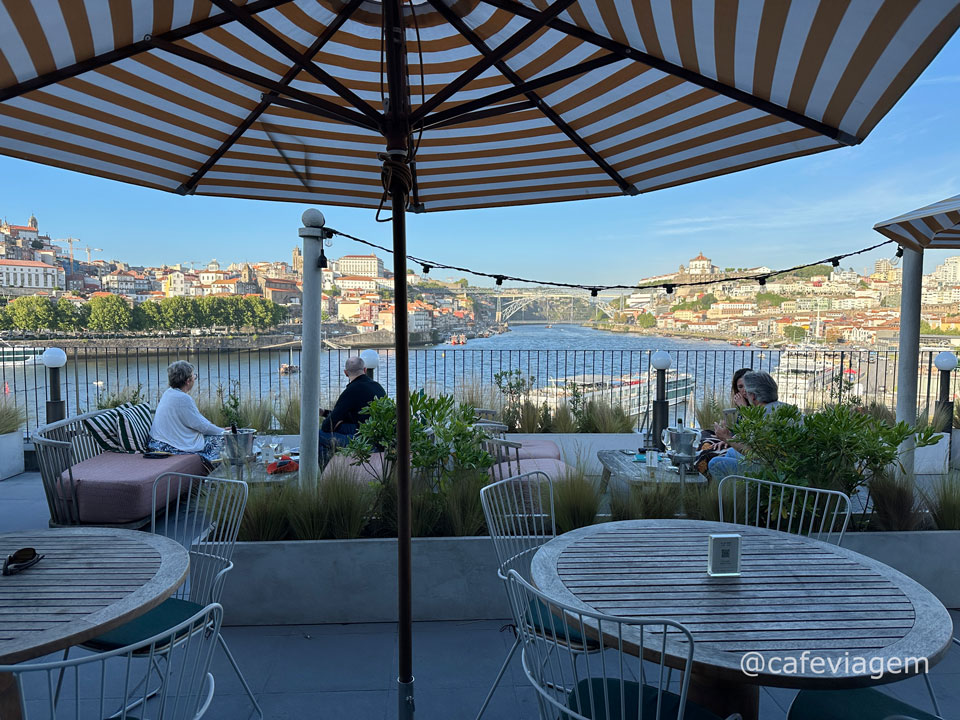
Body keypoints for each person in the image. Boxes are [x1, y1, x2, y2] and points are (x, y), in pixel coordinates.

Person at [707, 371, 786, 481]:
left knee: (714, 464)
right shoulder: (784, 408)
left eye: (747, 392)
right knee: (730, 452)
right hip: (785, 464)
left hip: (774, 471)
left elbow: (754, 454)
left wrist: (726, 438)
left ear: (753, 397)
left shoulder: (762, 418)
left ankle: (739, 495)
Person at [148, 360, 226, 464]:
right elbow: (202, 426)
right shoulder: (183, 398)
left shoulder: (168, 393)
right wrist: (223, 431)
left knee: (211, 437)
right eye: (194, 376)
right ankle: (212, 469)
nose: (195, 378)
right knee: (222, 440)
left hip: (156, 443)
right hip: (168, 447)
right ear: (188, 381)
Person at [319, 356, 386, 466]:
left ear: (346, 373)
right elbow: (354, 416)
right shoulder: (378, 387)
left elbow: (327, 426)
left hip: (364, 440)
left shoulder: (351, 391)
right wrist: (325, 413)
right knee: (339, 427)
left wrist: (336, 422)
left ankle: (328, 473)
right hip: (379, 439)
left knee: (317, 436)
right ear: (364, 370)